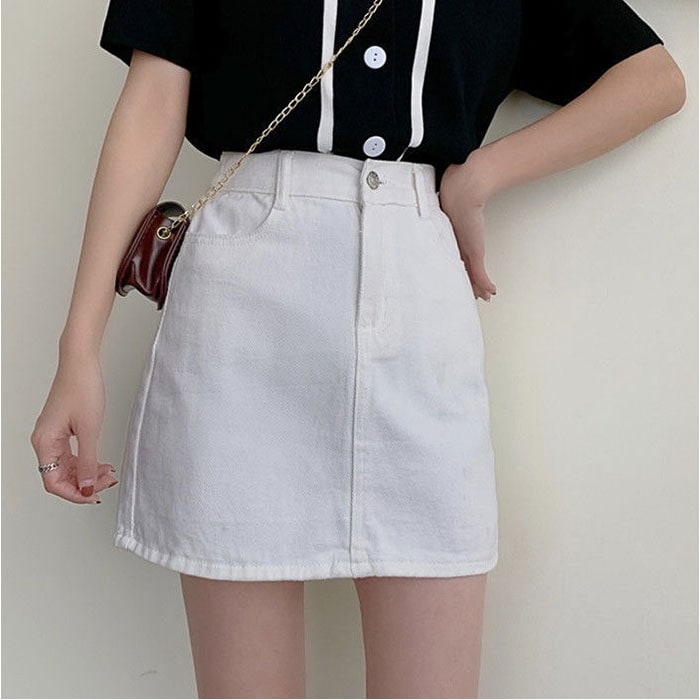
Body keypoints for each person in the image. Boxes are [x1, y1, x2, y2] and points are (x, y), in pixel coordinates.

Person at [30, 0, 685, 697]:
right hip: (243, 311)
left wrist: (484, 173)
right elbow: (154, 97)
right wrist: (79, 348)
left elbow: (653, 78)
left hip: (419, 301)